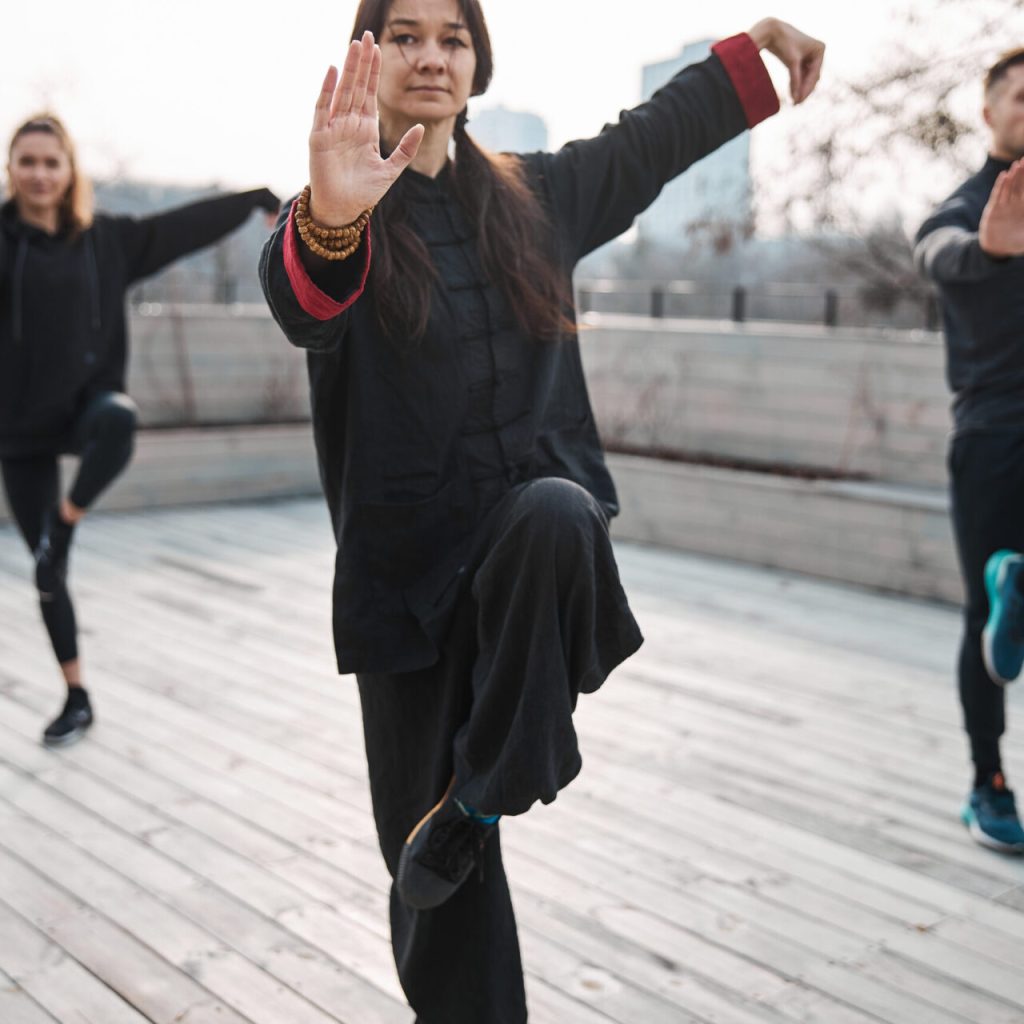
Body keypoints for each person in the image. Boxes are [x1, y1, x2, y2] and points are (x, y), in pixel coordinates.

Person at [260, 3, 824, 1019]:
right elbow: (303, 299)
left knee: (558, 509)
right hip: (404, 595)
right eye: (406, 35)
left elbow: (654, 136)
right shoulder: (338, 210)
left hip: (534, 570)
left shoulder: (540, 196)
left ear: (479, 61)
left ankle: (483, 789)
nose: (431, 55)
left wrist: (757, 47)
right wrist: (333, 215)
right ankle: (470, 808)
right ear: (368, 55)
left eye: (454, 36)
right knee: (435, 886)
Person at [0, 114, 281, 748]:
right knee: (48, 574)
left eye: (51, 161)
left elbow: (183, 228)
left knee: (120, 420)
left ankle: (66, 525)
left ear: (69, 170)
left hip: (85, 408)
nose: (40, 173)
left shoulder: (108, 241)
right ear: (12, 169)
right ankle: (76, 695)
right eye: (28, 161)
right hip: (19, 429)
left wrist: (255, 198)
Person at [914, 49, 1024, 854]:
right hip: (993, 435)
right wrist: (988, 248)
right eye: (1018, 98)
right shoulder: (964, 207)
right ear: (988, 111)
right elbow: (937, 254)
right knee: (983, 619)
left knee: (1002, 607)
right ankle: (987, 782)